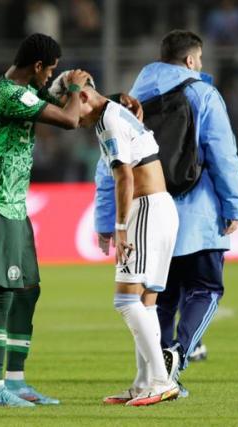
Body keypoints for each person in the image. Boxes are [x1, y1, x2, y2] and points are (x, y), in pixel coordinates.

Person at [95, 30, 238, 395]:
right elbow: (223, 156)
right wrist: (233, 205)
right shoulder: (204, 95)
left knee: (158, 299)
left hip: (145, 216)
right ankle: (176, 354)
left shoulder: (131, 100)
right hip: (198, 216)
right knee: (206, 289)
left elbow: (108, 168)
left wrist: (104, 221)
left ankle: (156, 379)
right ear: (192, 60)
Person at [0, 33, 91, 407]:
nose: (49, 75)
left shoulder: (17, 91)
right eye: (48, 69)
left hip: (13, 204)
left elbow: (76, 112)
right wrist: (75, 86)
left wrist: (107, 100)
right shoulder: (10, 94)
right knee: (1, 292)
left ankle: (16, 382)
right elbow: (69, 121)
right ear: (37, 67)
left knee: (27, 290)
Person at [71, 75, 180, 406]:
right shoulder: (113, 113)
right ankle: (144, 382)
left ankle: (161, 379)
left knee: (126, 301)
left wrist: (119, 227)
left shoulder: (107, 121)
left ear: (86, 96)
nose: (72, 121)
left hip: (145, 209)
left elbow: (124, 175)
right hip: (158, 207)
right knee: (145, 301)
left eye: (73, 110)